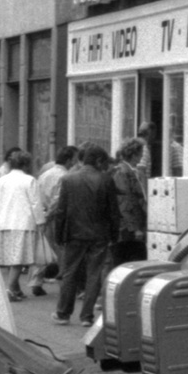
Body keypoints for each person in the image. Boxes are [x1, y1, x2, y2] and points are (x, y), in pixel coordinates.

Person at [51, 142, 120, 327]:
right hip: (99, 235)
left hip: (73, 234)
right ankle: (86, 316)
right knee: (94, 274)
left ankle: (63, 313)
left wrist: (58, 235)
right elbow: (113, 212)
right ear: (98, 161)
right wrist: (115, 235)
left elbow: (61, 211)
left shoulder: (68, 180)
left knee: (69, 273)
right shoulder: (106, 180)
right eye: (105, 162)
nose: (106, 166)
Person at [0, 153, 44, 302]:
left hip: (5, 222)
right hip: (23, 222)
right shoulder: (29, 180)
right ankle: (9, 289)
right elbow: (35, 203)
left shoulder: (3, 180)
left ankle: (15, 288)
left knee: (11, 256)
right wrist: (40, 221)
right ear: (26, 165)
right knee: (19, 259)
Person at [28, 145, 79, 295]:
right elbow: (58, 199)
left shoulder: (45, 174)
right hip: (56, 216)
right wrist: (50, 213)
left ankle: (36, 281)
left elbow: (37, 195)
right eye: (75, 159)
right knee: (61, 251)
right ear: (69, 160)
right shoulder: (65, 176)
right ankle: (64, 282)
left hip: (42, 215)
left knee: (42, 249)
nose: (76, 162)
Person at [111, 138, 149, 266]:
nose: (142, 157)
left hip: (130, 227)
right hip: (128, 229)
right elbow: (125, 201)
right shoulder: (123, 172)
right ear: (134, 155)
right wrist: (135, 228)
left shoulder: (129, 171)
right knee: (130, 261)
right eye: (140, 154)